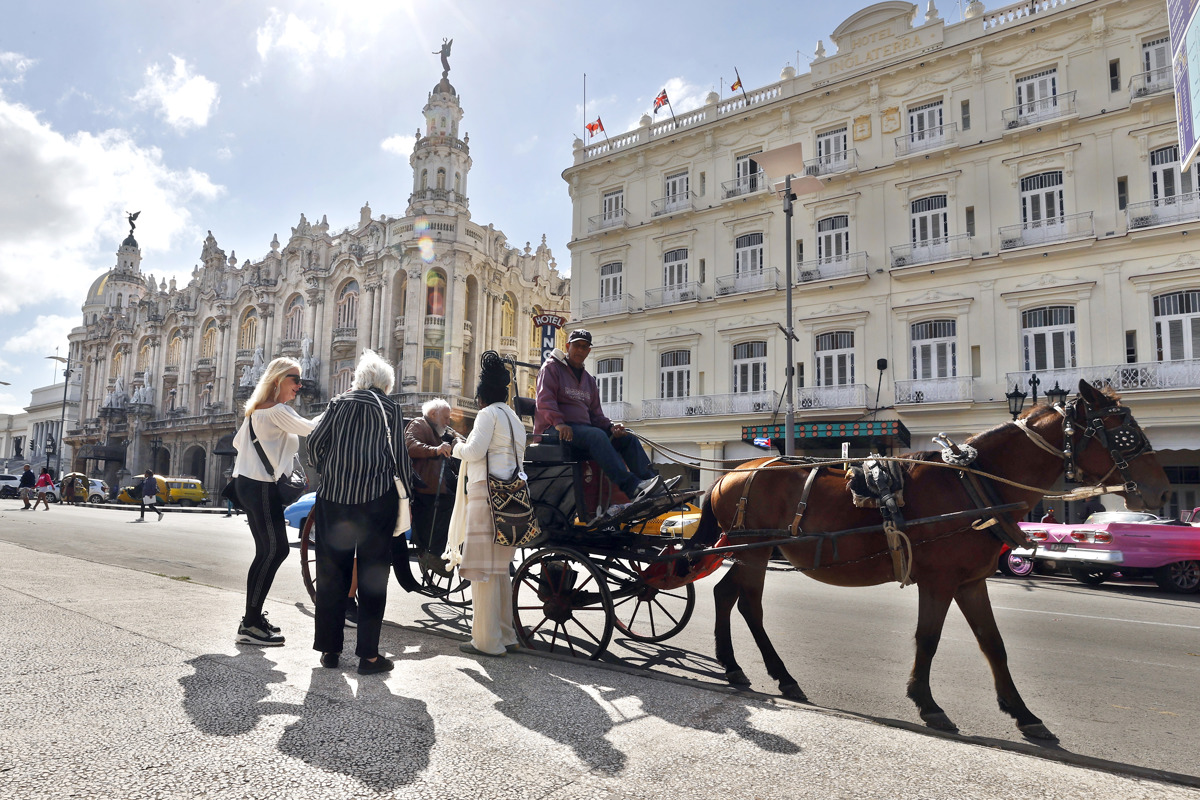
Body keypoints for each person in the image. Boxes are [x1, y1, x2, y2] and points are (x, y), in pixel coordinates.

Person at [307, 349, 411, 674]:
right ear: (384, 383)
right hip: (375, 503)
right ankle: (368, 657)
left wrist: (328, 470)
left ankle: (329, 651)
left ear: (360, 379)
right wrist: (406, 496)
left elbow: (313, 444)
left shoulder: (338, 403)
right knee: (372, 578)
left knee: (330, 575)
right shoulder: (391, 408)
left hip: (334, 501)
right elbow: (400, 458)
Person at [232, 357, 320, 647]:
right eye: (295, 379)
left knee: (268, 551)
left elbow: (236, 444)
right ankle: (250, 623)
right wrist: (338, 410)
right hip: (260, 486)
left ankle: (252, 619)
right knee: (275, 549)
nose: (300, 385)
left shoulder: (256, 411)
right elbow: (312, 429)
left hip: (247, 483)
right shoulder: (278, 411)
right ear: (278, 380)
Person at [534, 328, 673, 504]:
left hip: (583, 433)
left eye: (584, 347)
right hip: (554, 431)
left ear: (589, 351)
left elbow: (596, 414)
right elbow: (544, 401)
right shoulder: (551, 368)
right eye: (576, 346)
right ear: (568, 346)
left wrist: (610, 427)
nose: (580, 350)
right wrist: (559, 423)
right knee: (596, 435)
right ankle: (632, 487)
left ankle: (652, 484)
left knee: (627, 436)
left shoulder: (589, 380)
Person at [445, 351, 524, 658]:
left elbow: (475, 451)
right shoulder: (515, 418)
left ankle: (487, 640)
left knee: (482, 572)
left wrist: (456, 447)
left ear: (481, 398)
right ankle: (506, 634)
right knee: (501, 570)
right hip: (512, 498)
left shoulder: (487, 415)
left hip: (486, 495)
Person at [405, 398, 463, 574]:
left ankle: (443, 551)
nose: (448, 422)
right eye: (445, 418)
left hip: (439, 486)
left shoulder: (437, 432)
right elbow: (409, 445)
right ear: (432, 414)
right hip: (425, 487)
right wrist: (436, 450)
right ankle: (432, 554)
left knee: (457, 505)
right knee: (448, 507)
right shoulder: (418, 424)